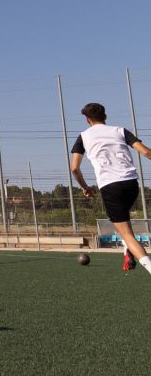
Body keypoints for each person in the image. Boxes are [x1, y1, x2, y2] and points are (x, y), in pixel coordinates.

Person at [71, 102, 151, 275]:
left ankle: (143, 261)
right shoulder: (120, 131)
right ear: (105, 116)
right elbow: (146, 152)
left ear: (87, 119)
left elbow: (74, 168)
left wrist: (85, 187)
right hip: (131, 184)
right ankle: (127, 249)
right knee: (122, 223)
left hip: (110, 186)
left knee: (126, 233)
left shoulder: (83, 136)